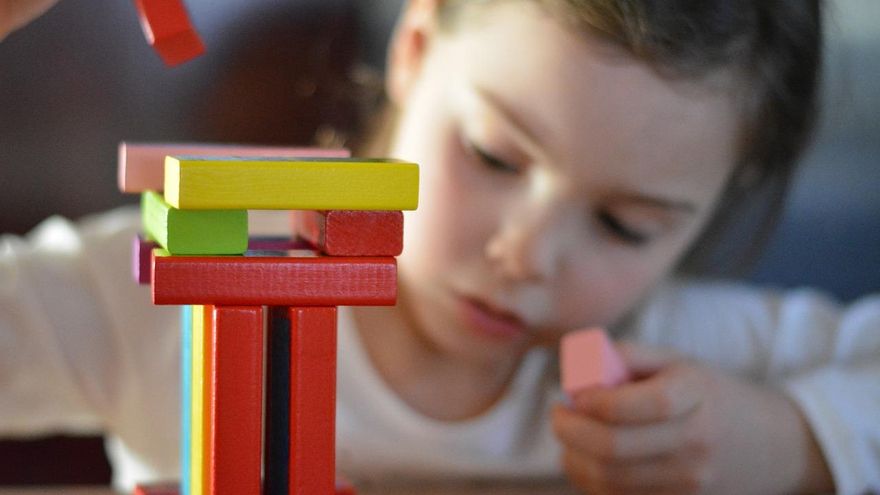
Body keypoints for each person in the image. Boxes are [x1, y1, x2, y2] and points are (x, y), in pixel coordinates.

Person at [1, 0, 878, 494]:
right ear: (415, 53)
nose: (527, 254)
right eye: (494, 155)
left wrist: (792, 439)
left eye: (625, 224)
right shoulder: (174, 297)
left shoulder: (672, 363)